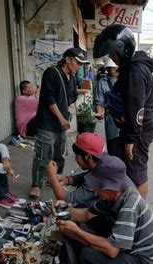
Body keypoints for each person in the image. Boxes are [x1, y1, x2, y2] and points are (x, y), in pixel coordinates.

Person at [57, 155, 153, 264]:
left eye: (98, 186)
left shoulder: (130, 204)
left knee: (88, 256)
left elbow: (112, 250)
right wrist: (65, 210)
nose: (94, 190)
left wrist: (77, 231)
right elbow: (87, 214)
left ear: (112, 186)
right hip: (133, 254)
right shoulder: (111, 197)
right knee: (91, 234)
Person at [93, 24, 153, 199]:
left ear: (123, 49)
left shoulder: (136, 70)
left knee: (137, 174)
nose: (113, 58)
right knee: (127, 170)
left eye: (114, 54)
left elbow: (136, 108)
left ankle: (140, 215)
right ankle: (127, 206)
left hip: (139, 130)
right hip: (134, 127)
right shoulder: (130, 67)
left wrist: (130, 139)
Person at [29, 48, 89, 199]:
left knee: (59, 153)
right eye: (77, 62)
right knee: (43, 153)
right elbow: (49, 98)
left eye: (81, 64)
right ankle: (37, 184)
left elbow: (72, 96)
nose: (78, 66)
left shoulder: (72, 77)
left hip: (60, 125)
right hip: (47, 123)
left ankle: (55, 178)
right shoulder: (52, 73)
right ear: (68, 59)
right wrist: (61, 118)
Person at [45, 132, 105, 205]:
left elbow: (65, 198)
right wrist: (68, 180)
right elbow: (88, 174)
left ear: (87, 157)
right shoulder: (100, 160)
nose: (75, 159)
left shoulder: (97, 179)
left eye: (77, 156)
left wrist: (51, 176)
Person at [94, 58, 122, 158]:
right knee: (113, 149)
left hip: (126, 119)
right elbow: (99, 101)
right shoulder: (102, 83)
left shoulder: (126, 80)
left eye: (114, 68)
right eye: (109, 68)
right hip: (111, 120)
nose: (112, 71)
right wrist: (100, 112)